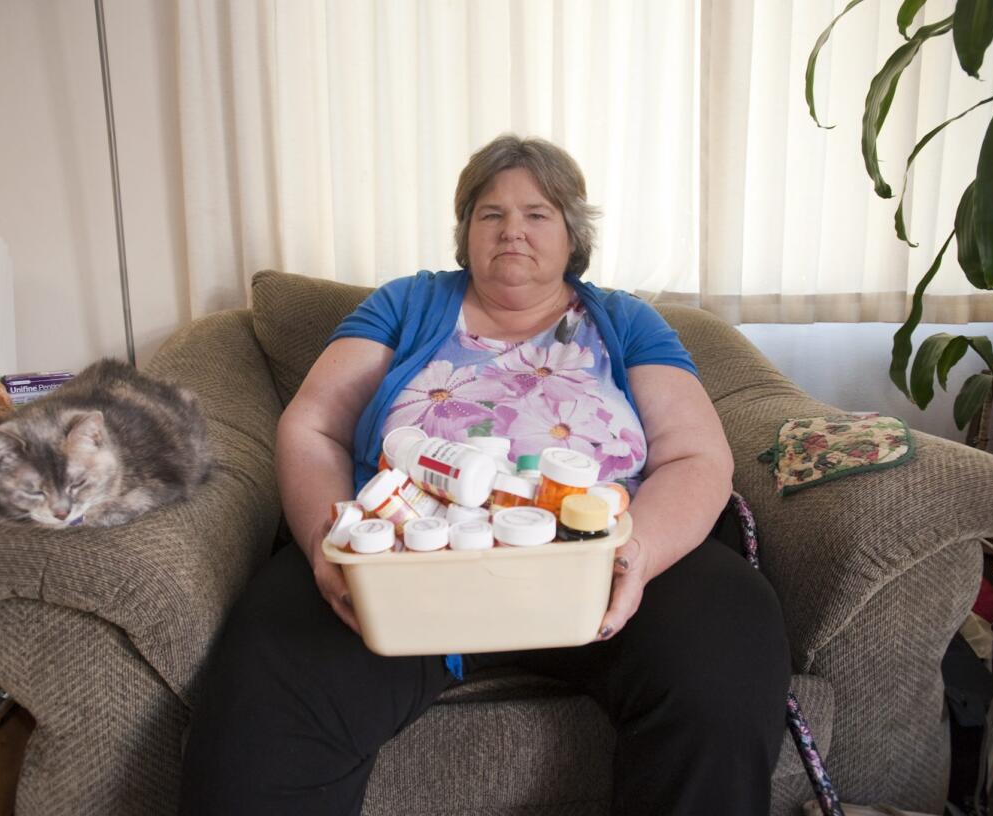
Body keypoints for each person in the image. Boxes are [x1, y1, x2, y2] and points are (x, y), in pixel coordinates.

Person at [179, 134, 791, 815]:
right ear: (466, 232)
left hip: (594, 569)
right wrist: (335, 553)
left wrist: (639, 556)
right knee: (271, 679)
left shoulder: (625, 321)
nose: (512, 231)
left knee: (728, 642)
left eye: (537, 214)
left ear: (572, 234)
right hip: (407, 566)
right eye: (490, 213)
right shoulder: (405, 304)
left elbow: (696, 455)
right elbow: (311, 425)